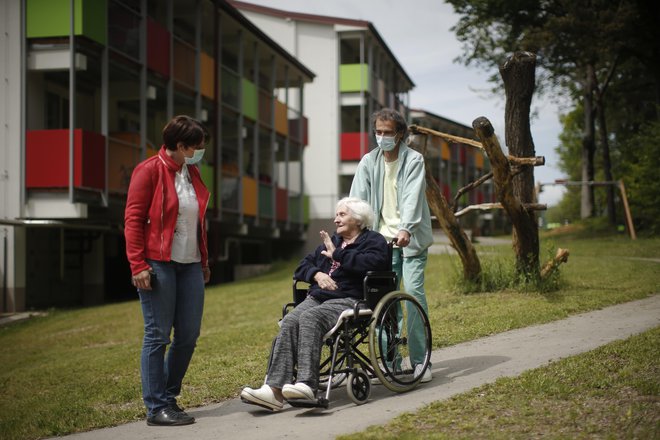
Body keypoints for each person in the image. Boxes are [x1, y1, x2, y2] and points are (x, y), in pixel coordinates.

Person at [240, 197, 389, 411]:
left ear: (358, 219)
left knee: (311, 318)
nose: (335, 219)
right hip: (318, 297)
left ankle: (306, 385)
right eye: (336, 215)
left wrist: (337, 255)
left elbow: (374, 264)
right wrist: (317, 274)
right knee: (291, 320)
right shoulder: (333, 241)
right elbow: (302, 266)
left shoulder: (373, 241)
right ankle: (273, 391)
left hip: (350, 299)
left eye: (342, 214)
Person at [124, 115, 211, 426]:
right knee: (158, 335)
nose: (201, 151)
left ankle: (168, 397)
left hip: (189, 265)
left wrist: (203, 261)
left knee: (188, 334)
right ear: (180, 145)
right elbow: (133, 221)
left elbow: (196, 222)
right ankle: (156, 407)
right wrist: (138, 265)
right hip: (158, 263)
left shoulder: (192, 173)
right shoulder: (148, 171)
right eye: (197, 147)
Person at [349, 108, 433, 383]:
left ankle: (421, 361)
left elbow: (411, 196)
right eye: (378, 132)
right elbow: (357, 201)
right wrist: (353, 231)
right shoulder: (368, 162)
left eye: (388, 132)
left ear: (400, 134)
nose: (382, 137)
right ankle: (391, 361)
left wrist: (405, 227)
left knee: (414, 295)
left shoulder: (414, 160)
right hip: (380, 244)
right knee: (383, 304)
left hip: (410, 241)